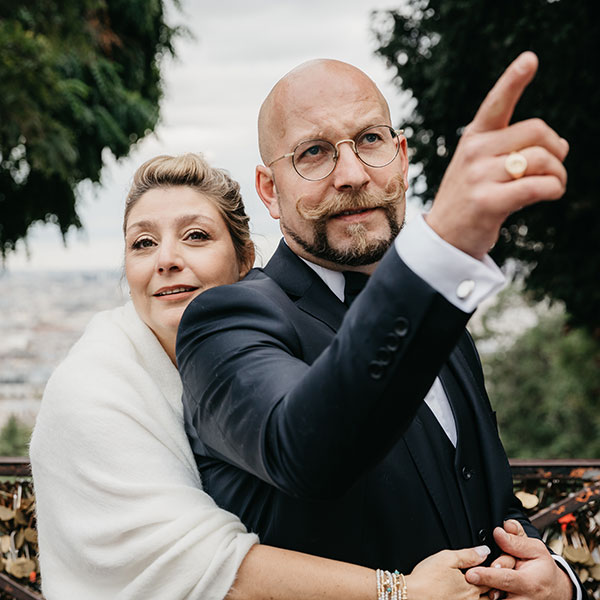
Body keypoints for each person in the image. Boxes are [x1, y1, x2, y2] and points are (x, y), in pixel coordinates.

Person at [177, 53, 584, 600]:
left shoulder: (445, 327)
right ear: (270, 190)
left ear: (401, 156)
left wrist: (557, 579)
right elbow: (303, 452)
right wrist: (441, 248)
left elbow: (489, 502)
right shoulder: (226, 320)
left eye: (370, 140)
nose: (351, 175)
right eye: (314, 153)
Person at [29, 153, 491, 600]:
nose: (165, 259)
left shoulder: (282, 353)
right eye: (143, 243)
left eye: (194, 236)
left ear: (244, 259)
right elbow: (208, 569)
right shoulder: (91, 391)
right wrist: (402, 592)